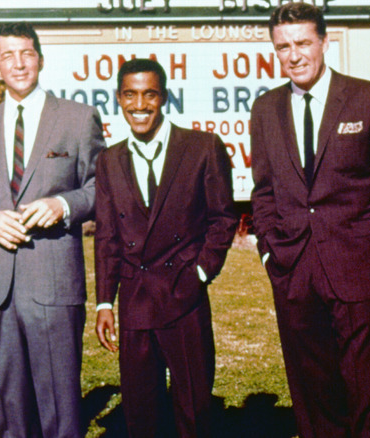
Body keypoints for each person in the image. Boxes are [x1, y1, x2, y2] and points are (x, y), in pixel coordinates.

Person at [249, 3, 370, 436]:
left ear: (324, 42)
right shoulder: (265, 109)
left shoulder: (369, 98)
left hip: (357, 270)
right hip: (294, 274)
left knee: (367, 392)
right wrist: (271, 255)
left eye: (303, 43)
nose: (294, 55)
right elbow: (262, 192)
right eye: (283, 47)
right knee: (312, 393)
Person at [0, 22, 105, 437]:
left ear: (40, 58)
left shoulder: (77, 118)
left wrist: (63, 205)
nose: (18, 64)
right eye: (8, 56)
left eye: (26, 53)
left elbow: (101, 187)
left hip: (54, 285)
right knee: (12, 408)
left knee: (61, 407)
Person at [94, 58, 238, 438]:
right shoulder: (108, 161)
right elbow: (107, 237)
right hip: (135, 301)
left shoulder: (202, 147)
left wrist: (200, 274)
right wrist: (105, 302)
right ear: (118, 99)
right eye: (130, 95)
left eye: (149, 94)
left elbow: (223, 219)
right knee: (141, 412)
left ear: (164, 98)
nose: (139, 104)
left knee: (194, 407)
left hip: (185, 297)